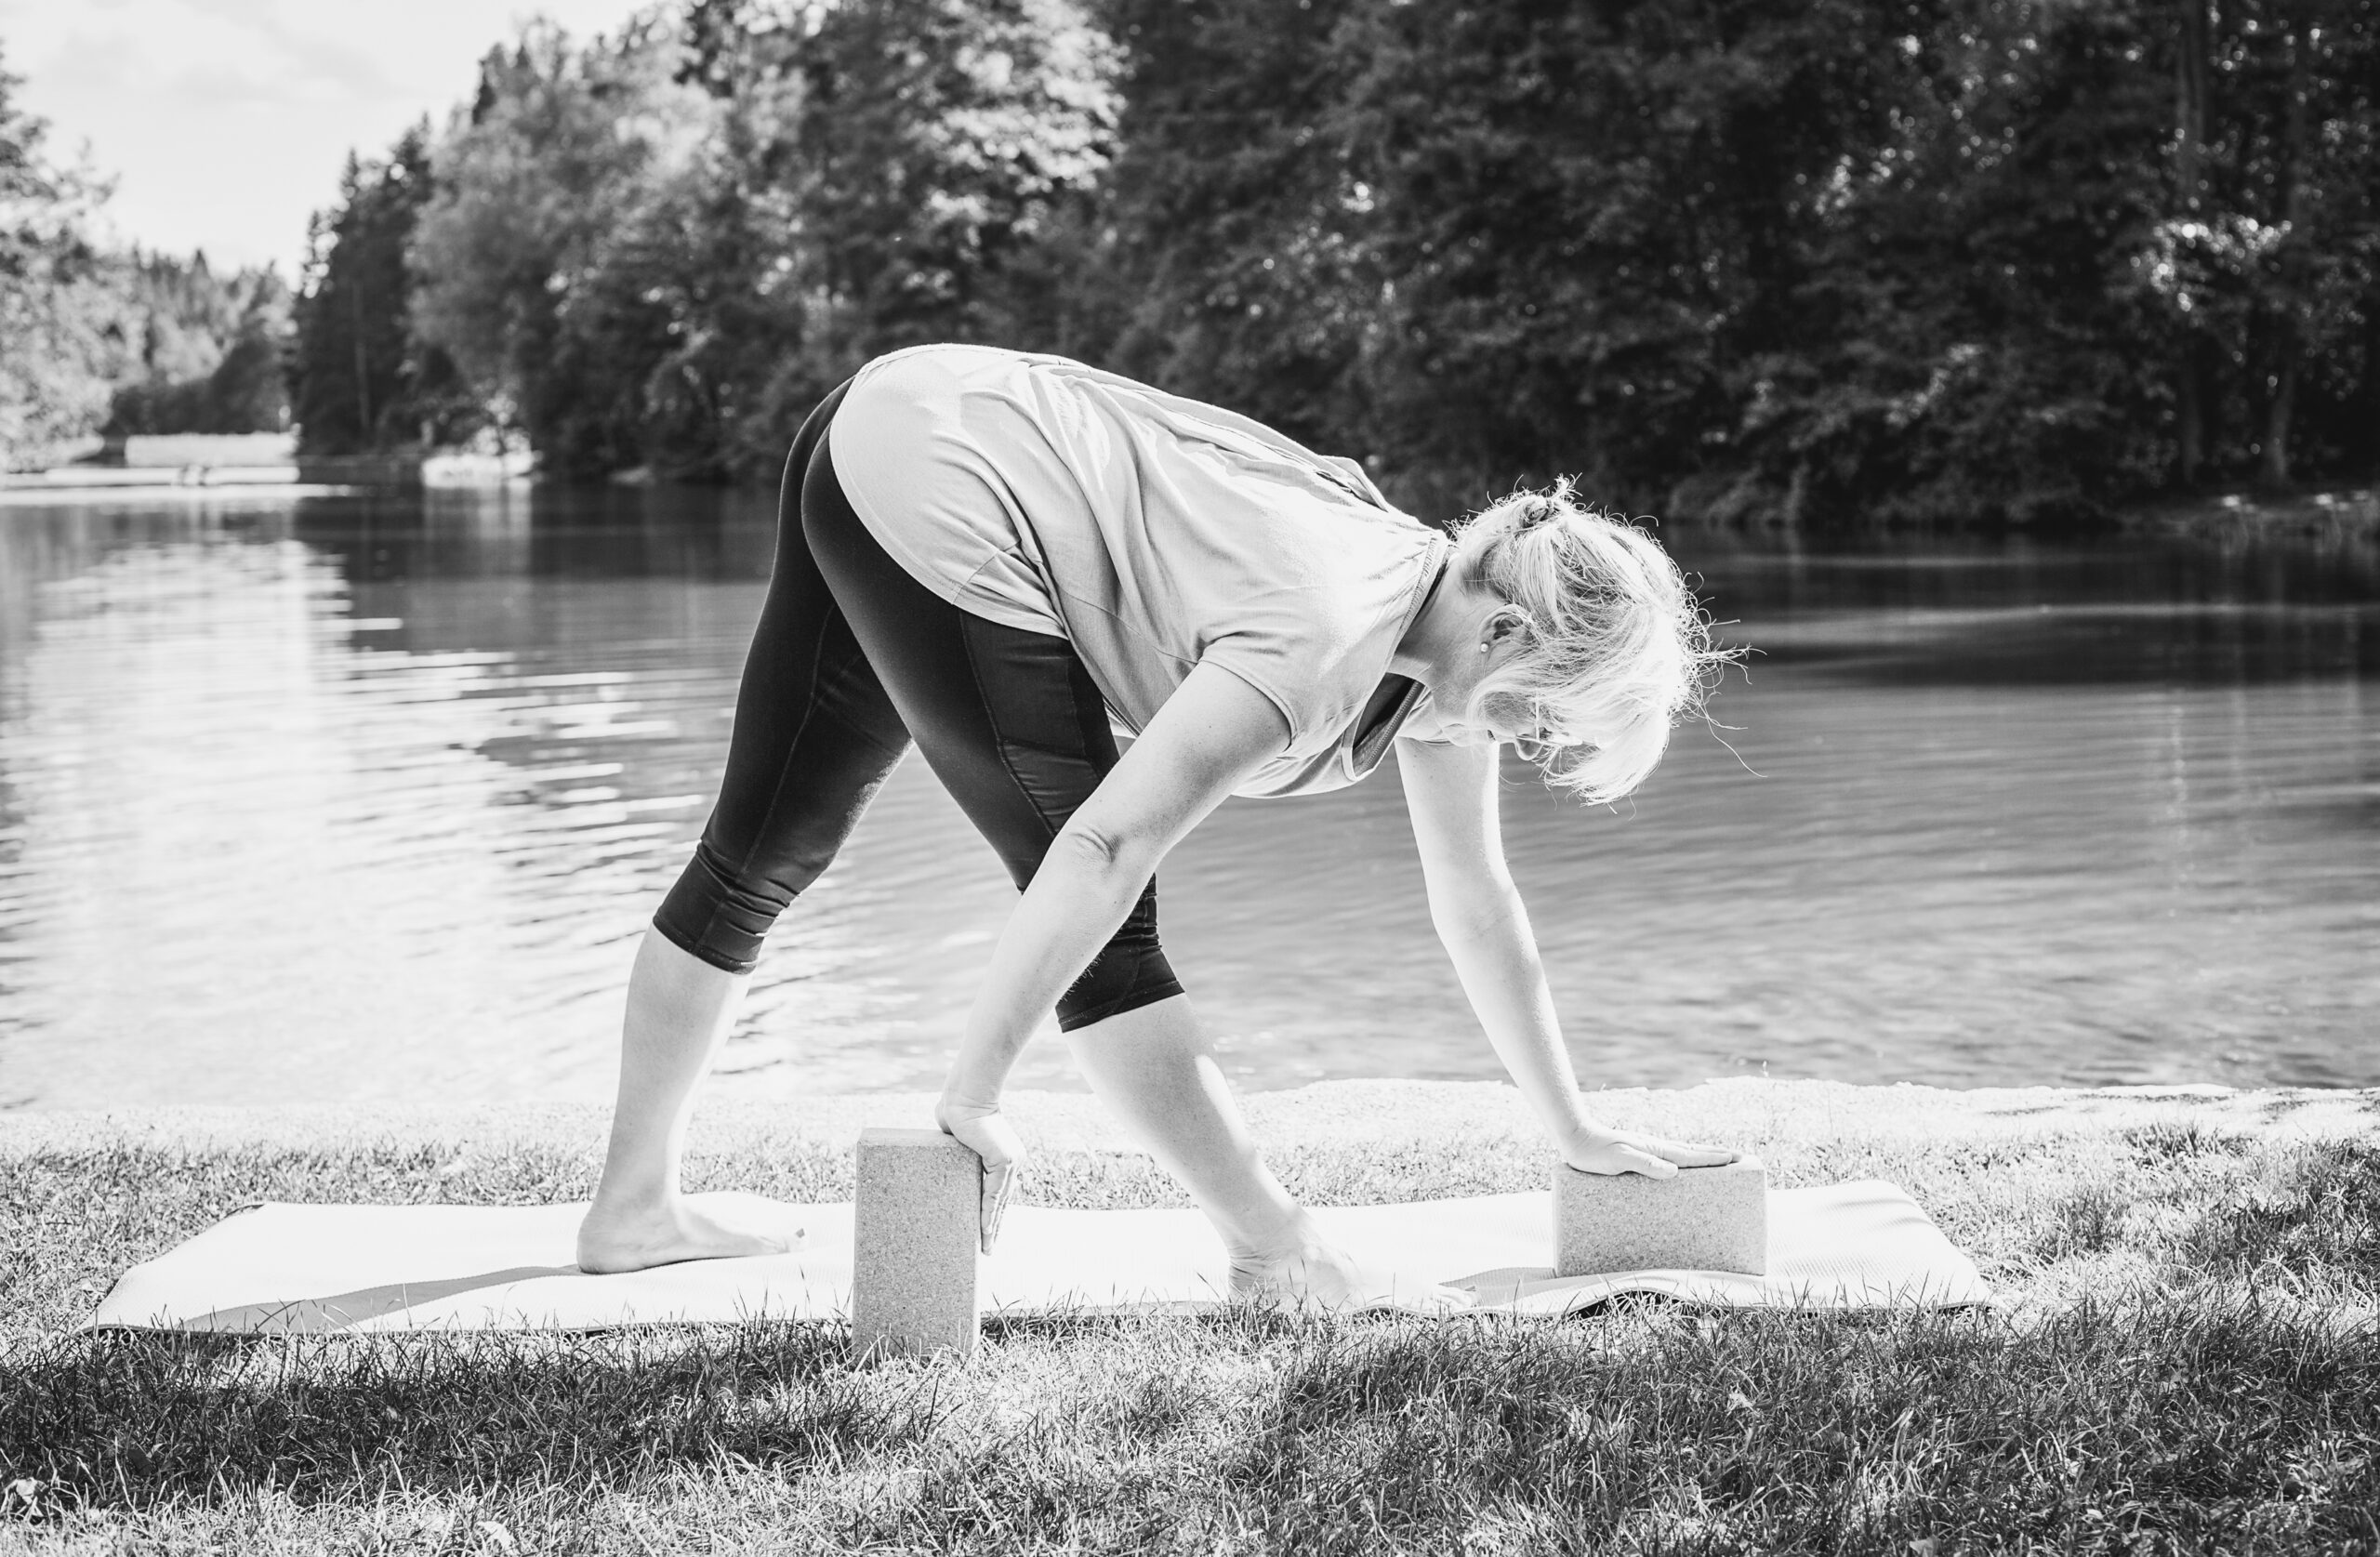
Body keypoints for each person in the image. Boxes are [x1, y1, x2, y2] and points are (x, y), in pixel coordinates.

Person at [574, 343, 1737, 1306]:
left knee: (762, 849)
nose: (1535, 743)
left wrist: (1573, 1126)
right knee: (1108, 910)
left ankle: (632, 1208)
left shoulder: (1434, 646)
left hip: (886, 418)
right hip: (949, 479)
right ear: (1504, 637)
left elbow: (1477, 903)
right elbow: (1100, 849)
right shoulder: (1323, 637)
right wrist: (972, 1096)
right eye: (1544, 714)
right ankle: (1270, 1243)